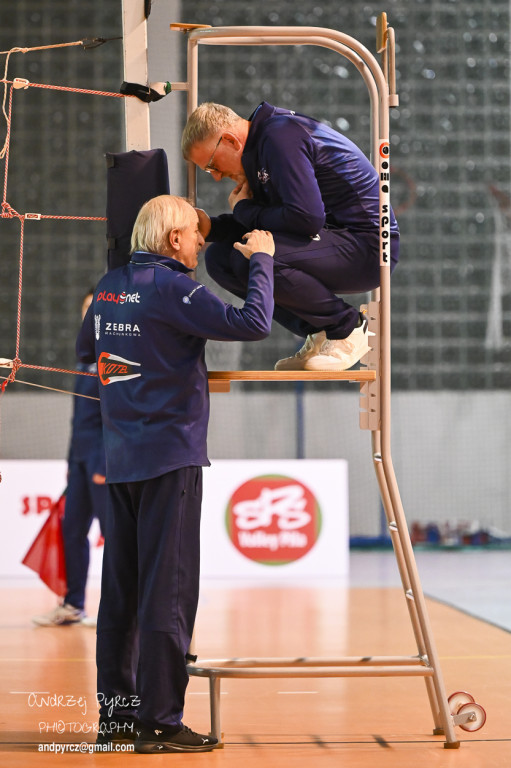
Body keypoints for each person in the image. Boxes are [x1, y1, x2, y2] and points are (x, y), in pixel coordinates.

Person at [76, 194, 275, 754]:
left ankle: (115, 719)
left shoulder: (110, 284)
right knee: (168, 592)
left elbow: (89, 350)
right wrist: (261, 259)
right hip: (169, 456)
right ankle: (160, 721)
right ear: (172, 241)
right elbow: (253, 322)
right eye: (194, 232)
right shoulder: (173, 287)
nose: (200, 241)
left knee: (121, 591)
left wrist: (142, 369)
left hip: (121, 460)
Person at [181, 101, 400, 371]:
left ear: (230, 140)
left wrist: (244, 208)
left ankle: (347, 328)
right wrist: (212, 228)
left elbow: (305, 219)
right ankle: (318, 331)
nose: (216, 177)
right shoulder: (262, 145)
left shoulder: (279, 137)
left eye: (212, 165)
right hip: (335, 237)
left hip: (369, 248)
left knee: (255, 257)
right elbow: (273, 220)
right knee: (221, 257)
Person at [32, 289, 106, 627]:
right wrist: (70, 462)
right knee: (71, 529)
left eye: (94, 310)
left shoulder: (114, 357)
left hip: (103, 463)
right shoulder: (83, 359)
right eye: (85, 310)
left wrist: (106, 463)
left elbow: (121, 416)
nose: (88, 316)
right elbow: (80, 418)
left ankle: (120, 609)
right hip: (79, 462)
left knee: (116, 536)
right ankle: (73, 604)